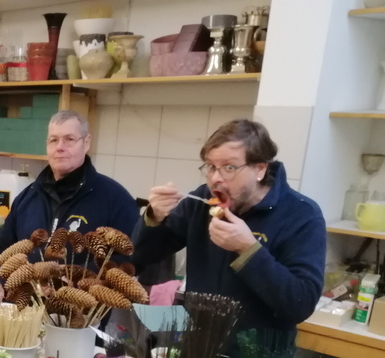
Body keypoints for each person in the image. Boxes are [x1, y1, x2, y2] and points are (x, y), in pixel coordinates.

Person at [132, 119, 326, 335]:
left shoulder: (301, 214)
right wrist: (154, 217)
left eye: (229, 167)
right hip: (198, 343)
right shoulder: (200, 201)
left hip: (257, 352)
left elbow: (301, 304)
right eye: (211, 167)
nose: (216, 179)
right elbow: (138, 258)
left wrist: (249, 251)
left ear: (260, 169)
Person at [0, 110, 138, 265]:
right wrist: (3, 278)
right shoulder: (26, 198)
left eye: (69, 139)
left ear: (86, 143)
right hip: (26, 281)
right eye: (54, 140)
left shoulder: (115, 199)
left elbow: (131, 258)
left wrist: (78, 277)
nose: (60, 147)